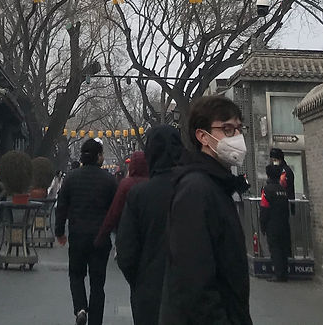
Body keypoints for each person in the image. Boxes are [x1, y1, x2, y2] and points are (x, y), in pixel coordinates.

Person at [159, 95, 252, 325]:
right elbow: (194, 279)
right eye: (227, 129)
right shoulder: (196, 189)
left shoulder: (217, 184)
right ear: (202, 136)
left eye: (239, 129)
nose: (237, 137)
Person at [115, 125, 186, 325]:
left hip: (149, 290)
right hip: (192, 292)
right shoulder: (197, 188)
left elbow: (126, 251)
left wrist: (139, 281)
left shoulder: (139, 194)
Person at [55, 137, 118, 325]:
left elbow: (61, 207)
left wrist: (60, 232)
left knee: (76, 274)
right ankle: (95, 321)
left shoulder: (71, 178)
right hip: (101, 238)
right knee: (98, 283)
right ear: (98, 156)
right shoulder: (109, 180)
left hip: (78, 235)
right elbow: (115, 210)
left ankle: (80, 308)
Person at [95, 151, 148, 246]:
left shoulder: (126, 184)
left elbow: (114, 211)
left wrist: (102, 235)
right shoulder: (153, 183)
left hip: (128, 235)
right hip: (150, 237)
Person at [258, 163, 291, 283]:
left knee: (275, 249)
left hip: (272, 224)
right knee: (283, 248)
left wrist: (263, 224)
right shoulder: (283, 190)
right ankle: (284, 273)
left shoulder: (267, 190)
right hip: (284, 223)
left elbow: (264, 208)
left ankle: (278, 274)